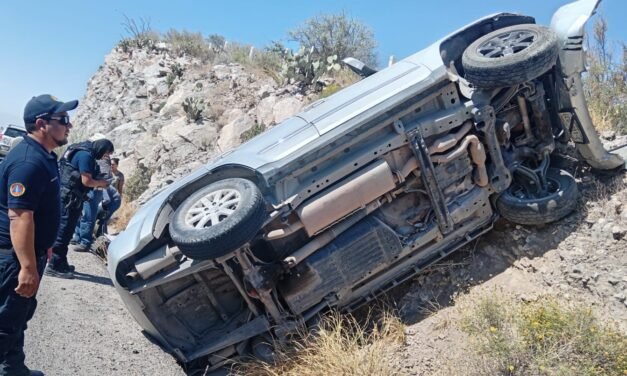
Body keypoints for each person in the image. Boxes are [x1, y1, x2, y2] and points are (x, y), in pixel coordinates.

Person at [0, 94, 77, 375]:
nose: (69, 125)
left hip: (28, 253)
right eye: (63, 120)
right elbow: (20, 217)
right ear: (42, 124)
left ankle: (14, 369)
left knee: (18, 316)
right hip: (13, 259)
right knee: (5, 323)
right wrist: (28, 267)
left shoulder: (45, 156)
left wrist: (44, 246)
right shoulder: (28, 163)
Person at [45, 139, 112, 278]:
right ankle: (53, 265)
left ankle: (61, 262)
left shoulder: (81, 151)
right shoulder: (86, 156)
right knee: (63, 231)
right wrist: (102, 183)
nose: (105, 156)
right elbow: (86, 181)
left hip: (69, 196)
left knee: (67, 231)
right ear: (101, 148)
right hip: (69, 197)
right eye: (106, 153)